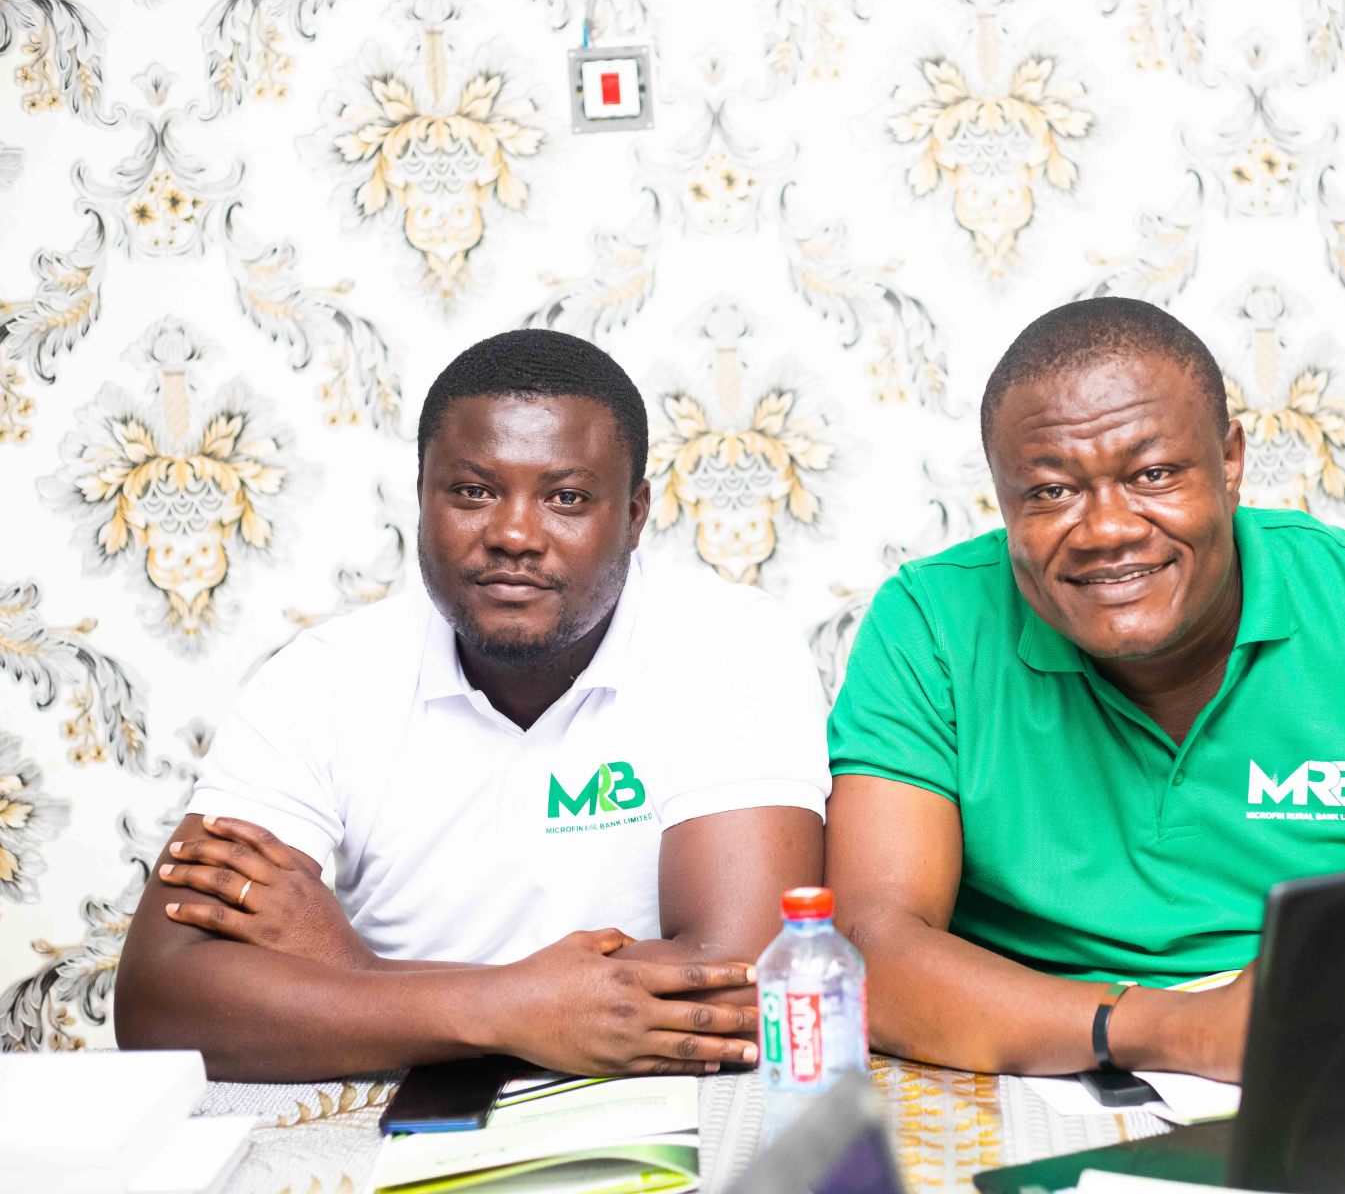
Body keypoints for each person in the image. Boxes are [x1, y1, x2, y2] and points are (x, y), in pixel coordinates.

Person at [824, 297, 1345, 1081]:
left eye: (1154, 474)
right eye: (1052, 492)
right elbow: (869, 955)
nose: (1107, 529)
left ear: (1231, 461)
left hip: (1323, 1060)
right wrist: (1175, 1031)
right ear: (1001, 498)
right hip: (1019, 1069)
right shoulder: (929, 625)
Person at [116, 330, 829, 1081]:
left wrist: (355, 975)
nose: (514, 534)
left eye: (566, 498)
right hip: (385, 1121)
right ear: (422, 496)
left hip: (651, 1115)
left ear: (634, 514)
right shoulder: (320, 679)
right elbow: (159, 1004)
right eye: (473, 492)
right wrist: (516, 1007)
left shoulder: (730, 645)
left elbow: (741, 991)